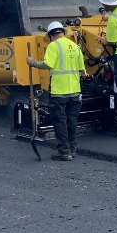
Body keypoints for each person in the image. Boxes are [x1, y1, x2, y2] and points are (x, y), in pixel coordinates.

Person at [26, 21, 86, 160]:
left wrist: (32, 62)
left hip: (59, 91)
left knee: (60, 120)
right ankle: (72, 148)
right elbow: (80, 68)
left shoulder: (53, 46)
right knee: (71, 120)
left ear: (52, 35)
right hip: (75, 90)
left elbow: (47, 64)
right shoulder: (75, 46)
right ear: (63, 33)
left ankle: (64, 151)